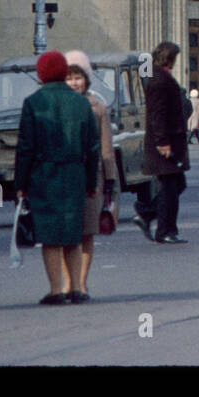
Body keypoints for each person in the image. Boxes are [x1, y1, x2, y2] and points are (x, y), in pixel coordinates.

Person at [14, 50, 99, 305]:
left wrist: (20, 184)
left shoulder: (33, 103)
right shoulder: (81, 103)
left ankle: (56, 290)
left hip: (44, 175)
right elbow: (92, 148)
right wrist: (92, 181)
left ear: (41, 74)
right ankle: (76, 288)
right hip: (74, 174)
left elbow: (25, 148)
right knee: (73, 234)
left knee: (50, 236)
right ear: (64, 72)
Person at [63, 50, 117, 301]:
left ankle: (81, 282)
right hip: (66, 176)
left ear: (87, 79)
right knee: (66, 234)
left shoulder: (98, 107)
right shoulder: (59, 105)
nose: (74, 82)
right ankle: (67, 282)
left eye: (78, 77)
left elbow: (106, 147)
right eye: (69, 78)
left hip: (91, 177)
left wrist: (110, 181)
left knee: (86, 232)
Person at [133, 41, 189, 244]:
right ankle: (165, 230)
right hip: (165, 143)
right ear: (170, 57)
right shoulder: (158, 79)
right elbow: (157, 114)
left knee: (176, 184)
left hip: (169, 140)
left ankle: (146, 214)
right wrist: (162, 142)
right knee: (170, 186)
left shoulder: (160, 76)